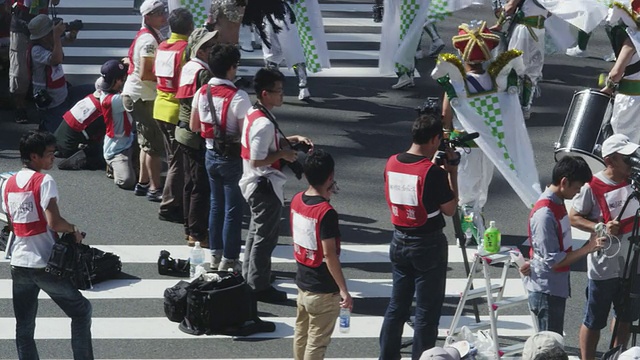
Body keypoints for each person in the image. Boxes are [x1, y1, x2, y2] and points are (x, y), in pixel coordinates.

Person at [434, 20, 541, 242]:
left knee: (465, 188)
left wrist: (445, 138)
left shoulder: (456, 84)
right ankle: (476, 220)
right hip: (491, 146)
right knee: (482, 185)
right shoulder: (498, 82)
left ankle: (470, 225)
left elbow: (446, 117)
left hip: (465, 146)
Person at [1, 130, 93, 359]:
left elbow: (12, 222)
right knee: (81, 311)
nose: (53, 157)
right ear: (34, 157)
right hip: (44, 263)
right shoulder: (44, 181)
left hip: (19, 263)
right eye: (50, 154)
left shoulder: (8, 183)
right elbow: (54, 222)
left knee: (24, 326)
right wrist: (73, 229)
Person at [379, 112, 458, 360]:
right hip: (428, 244)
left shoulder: (392, 162)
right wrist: (451, 171)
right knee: (426, 311)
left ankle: (387, 356)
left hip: (399, 238)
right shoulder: (431, 172)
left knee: (397, 306)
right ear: (434, 140)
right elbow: (450, 209)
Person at [239, 67, 313, 303]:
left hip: (254, 184)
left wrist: (291, 140)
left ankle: (250, 276)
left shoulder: (255, 113)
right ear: (265, 93)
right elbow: (258, 159)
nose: (282, 95)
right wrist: (285, 154)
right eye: (278, 91)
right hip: (264, 185)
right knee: (265, 237)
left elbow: (261, 147)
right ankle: (259, 285)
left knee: (255, 233)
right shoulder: (264, 123)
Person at [569, 134, 640, 360]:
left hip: (633, 260)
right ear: (610, 161)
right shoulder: (592, 185)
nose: (633, 162)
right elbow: (574, 217)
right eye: (626, 158)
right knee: (594, 319)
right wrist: (600, 227)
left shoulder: (634, 180)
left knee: (625, 316)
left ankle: (619, 356)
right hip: (604, 263)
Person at [520, 156, 601, 334]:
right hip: (546, 291)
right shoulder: (545, 215)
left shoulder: (557, 202)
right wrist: (588, 248)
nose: (578, 193)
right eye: (577, 187)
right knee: (550, 346)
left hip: (553, 286)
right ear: (564, 182)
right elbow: (554, 261)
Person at [190, 43, 252, 261]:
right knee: (232, 210)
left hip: (209, 154)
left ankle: (215, 254)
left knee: (215, 206)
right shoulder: (239, 96)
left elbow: (194, 126)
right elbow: (247, 133)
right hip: (232, 158)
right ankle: (231, 258)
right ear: (231, 68)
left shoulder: (202, 92)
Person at [291, 149, 352, 360]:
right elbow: (329, 255)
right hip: (323, 290)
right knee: (316, 345)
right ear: (330, 176)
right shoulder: (326, 213)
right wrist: (344, 290)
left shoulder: (297, 200)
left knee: (301, 334)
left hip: (303, 282)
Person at [122, 0, 168, 202]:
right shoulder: (149, 40)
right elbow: (146, 73)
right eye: (159, 13)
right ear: (147, 17)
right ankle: (155, 188)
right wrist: (168, 79)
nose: (163, 16)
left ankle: (143, 183)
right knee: (154, 146)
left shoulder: (147, 34)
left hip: (137, 95)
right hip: (143, 96)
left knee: (145, 142)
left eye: (163, 12)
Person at [176, 27, 217, 247]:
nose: (213, 50)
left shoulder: (189, 66)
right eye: (209, 47)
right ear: (200, 50)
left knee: (190, 183)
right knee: (200, 186)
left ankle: (189, 228)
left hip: (182, 131)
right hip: (194, 133)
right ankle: (198, 233)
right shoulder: (204, 73)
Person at [155, 8, 194, 223]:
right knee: (177, 162)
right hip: (176, 110)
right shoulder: (186, 50)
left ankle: (174, 200)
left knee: (173, 159)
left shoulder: (162, 46)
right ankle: (169, 205)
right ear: (190, 27)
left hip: (160, 106)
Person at [27, 14, 92, 133]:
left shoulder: (49, 42)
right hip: (51, 104)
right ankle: (46, 124)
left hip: (64, 94)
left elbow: (67, 40)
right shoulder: (36, 50)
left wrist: (72, 33)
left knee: (94, 91)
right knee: (59, 137)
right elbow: (57, 59)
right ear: (44, 37)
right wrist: (56, 36)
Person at [262, 0, 330, 100]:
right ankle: (273, 86)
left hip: (285, 10)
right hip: (272, 10)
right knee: (277, 50)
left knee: (289, 49)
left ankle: (301, 85)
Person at [9, 0, 57, 124]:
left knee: (43, 63)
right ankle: (20, 106)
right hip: (20, 21)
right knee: (20, 69)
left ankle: (42, 99)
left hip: (41, 24)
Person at [601, 1, 640, 145]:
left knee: (622, 144)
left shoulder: (632, 40)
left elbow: (616, 72)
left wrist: (607, 88)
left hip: (630, 100)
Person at [54, 77, 107, 171]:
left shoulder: (89, 98)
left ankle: (64, 150)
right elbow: (97, 137)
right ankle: (80, 159)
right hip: (69, 146)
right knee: (101, 158)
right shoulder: (100, 111)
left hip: (57, 138)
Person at [100, 60, 136, 190]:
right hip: (117, 149)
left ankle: (130, 163)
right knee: (127, 181)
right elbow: (134, 91)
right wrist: (134, 65)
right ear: (115, 81)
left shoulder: (106, 88)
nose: (124, 80)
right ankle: (112, 165)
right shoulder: (114, 101)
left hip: (129, 139)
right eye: (122, 78)